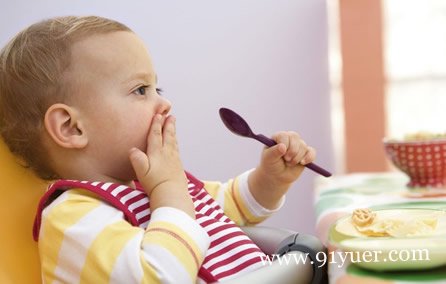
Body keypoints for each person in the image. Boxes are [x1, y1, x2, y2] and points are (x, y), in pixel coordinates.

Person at [0, 16, 316, 283]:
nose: (164, 103)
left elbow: (231, 207)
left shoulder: (156, 187)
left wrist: (270, 178)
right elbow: (160, 276)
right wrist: (169, 189)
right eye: (140, 90)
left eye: (157, 88)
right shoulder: (72, 219)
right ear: (71, 127)